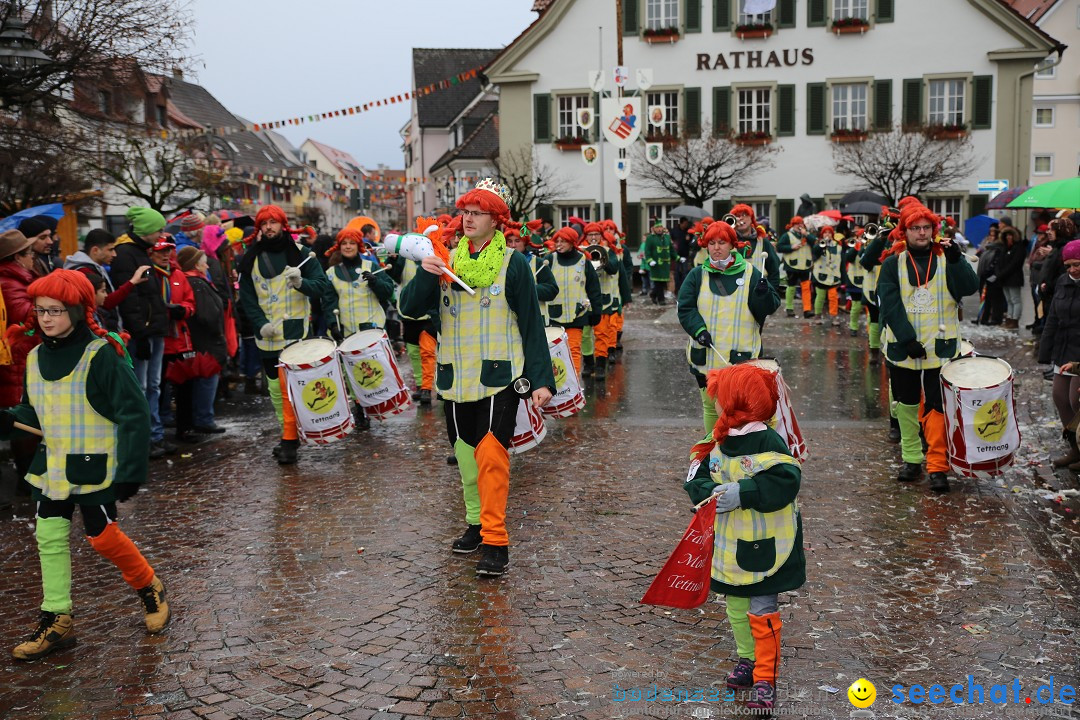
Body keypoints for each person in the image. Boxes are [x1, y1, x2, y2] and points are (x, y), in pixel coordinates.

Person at [0, 270, 169, 660]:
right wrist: (11, 418)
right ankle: (57, 618)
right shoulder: (36, 355)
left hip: (96, 466)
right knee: (49, 537)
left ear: (77, 310)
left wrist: (130, 472)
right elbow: (37, 411)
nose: (46, 318)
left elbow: (134, 414)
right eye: (41, 310)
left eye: (55, 310)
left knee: (103, 537)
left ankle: (149, 586)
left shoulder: (102, 354)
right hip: (54, 467)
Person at [398, 179, 555, 577]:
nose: (468, 218)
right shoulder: (443, 257)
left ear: (496, 220)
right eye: (465, 211)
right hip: (454, 377)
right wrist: (425, 271)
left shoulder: (513, 263)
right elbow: (410, 308)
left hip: (498, 375)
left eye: (477, 212)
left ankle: (496, 542)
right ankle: (475, 525)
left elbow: (532, 324)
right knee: (467, 462)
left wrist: (541, 379)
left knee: (491, 460)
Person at [683, 363, 804, 714]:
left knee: (762, 610)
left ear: (736, 401)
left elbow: (785, 481)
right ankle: (747, 659)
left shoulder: (769, 440)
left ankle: (766, 677)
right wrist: (710, 492)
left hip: (768, 548)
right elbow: (695, 478)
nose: (714, 405)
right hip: (731, 545)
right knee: (735, 606)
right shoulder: (718, 439)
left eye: (719, 398)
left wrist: (745, 492)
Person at [878, 202, 979, 492]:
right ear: (905, 232)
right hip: (903, 346)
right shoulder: (892, 263)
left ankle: (937, 465)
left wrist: (958, 259)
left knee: (937, 407)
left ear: (934, 230)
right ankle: (911, 459)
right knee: (906, 405)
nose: (922, 233)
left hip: (940, 347)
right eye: (915, 228)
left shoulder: (947, 259)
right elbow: (890, 305)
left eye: (926, 228)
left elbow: (969, 288)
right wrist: (907, 338)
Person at [237, 205, 337, 465]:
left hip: (295, 332)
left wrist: (301, 283)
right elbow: (247, 298)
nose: (269, 227)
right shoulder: (249, 259)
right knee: (274, 389)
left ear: (283, 225)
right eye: (264, 223)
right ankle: (288, 433)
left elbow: (322, 287)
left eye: (273, 222)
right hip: (267, 335)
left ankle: (290, 441)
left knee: (290, 388)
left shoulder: (302, 254)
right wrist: (259, 324)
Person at [677, 221, 780, 433]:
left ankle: (733, 453)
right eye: (712, 243)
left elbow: (769, 308)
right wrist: (699, 331)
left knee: (738, 409)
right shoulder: (697, 275)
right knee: (711, 408)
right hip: (707, 355)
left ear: (732, 245)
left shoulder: (752, 273)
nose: (716, 247)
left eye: (721, 242)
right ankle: (712, 449)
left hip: (741, 356)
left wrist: (763, 294)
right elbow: (686, 308)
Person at [110, 207, 175, 459]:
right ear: (146, 230)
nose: (161, 234)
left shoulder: (139, 252)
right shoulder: (127, 255)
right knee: (143, 386)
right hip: (143, 332)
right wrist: (140, 333)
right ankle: (144, 437)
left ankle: (155, 434)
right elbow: (131, 299)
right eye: (158, 229)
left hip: (152, 328)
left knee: (154, 385)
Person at [325, 226, 395, 428]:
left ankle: (380, 403)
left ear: (359, 246)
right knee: (352, 374)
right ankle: (360, 409)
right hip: (347, 330)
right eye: (344, 244)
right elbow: (328, 302)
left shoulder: (371, 266)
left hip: (372, 328)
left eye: (352, 243)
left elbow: (388, 291)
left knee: (374, 370)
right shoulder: (331, 273)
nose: (348, 247)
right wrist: (332, 324)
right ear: (339, 247)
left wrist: (375, 282)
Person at [1038, 239, 1080, 470]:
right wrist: (1045, 351)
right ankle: (1075, 448)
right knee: (1060, 397)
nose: (1072, 269)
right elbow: (1052, 318)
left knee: (1076, 400)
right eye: (1068, 265)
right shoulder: (1063, 282)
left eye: (1077, 264)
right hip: (1064, 349)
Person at [149, 239, 197, 444]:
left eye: (168, 251)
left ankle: (184, 429)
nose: (165, 255)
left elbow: (190, 302)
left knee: (185, 388)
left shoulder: (178, 275)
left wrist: (183, 310)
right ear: (151, 253)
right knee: (157, 388)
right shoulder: (150, 275)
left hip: (181, 341)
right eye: (160, 252)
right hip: (160, 341)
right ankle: (158, 431)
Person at [177, 247, 227, 434]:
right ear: (196, 265)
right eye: (203, 261)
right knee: (207, 379)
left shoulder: (192, 281)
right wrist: (218, 332)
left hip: (200, 339)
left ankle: (203, 417)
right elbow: (208, 315)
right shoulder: (197, 283)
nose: (207, 265)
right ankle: (204, 418)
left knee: (203, 380)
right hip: (207, 340)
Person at [544, 225, 602, 376]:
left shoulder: (584, 261)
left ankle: (574, 385)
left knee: (574, 350)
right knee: (556, 353)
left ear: (572, 243)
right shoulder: (549, 260)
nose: (559, 244)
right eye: (557, 241)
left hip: (578, 314)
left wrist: (596, 311)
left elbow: (593, 288)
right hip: (554, 315)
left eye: (563, 241)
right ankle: (560, 388)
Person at [0, 230, 38, 410]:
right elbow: (24, 314)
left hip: (23, 351)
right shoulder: (8, 282)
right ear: (18, 257)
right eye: (30, 253)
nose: (33, 258)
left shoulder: (19, 279)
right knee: (20, 413)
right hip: (17, 353)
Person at [581, 222, 620, 382]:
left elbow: (614, 269)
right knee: (584, 335)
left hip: (603, 299)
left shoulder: (609, 251)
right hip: (584, 299)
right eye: (590, 235)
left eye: (596, 234)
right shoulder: (580, 251)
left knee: (601, 333)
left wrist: (603, 259)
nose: (593, 238)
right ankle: (589, 363)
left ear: (601, 236)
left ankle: (600, 365)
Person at [63, 229, 123, 332]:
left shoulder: (97, 268)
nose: (114, 254)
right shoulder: (84, 272)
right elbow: (105, 302)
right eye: (110, 250)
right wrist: (132, 282)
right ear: (95, 250)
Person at [731, 204, 781, 296]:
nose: (741, 218)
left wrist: (770, 293)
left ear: (752, 219)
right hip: (733, 295)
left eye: (745, 215)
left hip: (758, 295)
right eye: (737, 216)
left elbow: (774, 271)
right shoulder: (727, 242)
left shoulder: (763, 242)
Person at [776, 216, 814, 318]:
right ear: (793, 225)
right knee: (791, 287)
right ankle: (789, 308)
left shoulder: (807, 235)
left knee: (806, 287)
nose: (799, 226)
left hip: (805, 265)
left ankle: (807, 309)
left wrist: (807, 234)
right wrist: (791, 247)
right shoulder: (787, 235)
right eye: (797, 224)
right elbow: (779, 247)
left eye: (801, 223)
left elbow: (815, 243)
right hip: (792, 265)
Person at [993, 227, 1026, 329]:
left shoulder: (1019, 248)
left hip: (1014, 278)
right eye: (1006, 235)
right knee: (1009, 300)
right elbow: (999, 261)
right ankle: (1009, 318)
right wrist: (999, 273)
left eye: (1010, 235)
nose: (1008, 237)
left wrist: (1002, 273)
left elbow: (1015, 263)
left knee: (1015, 299)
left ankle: (1014, 320)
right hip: (1004, 278)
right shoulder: (1005, 248)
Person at [810, 227, 843, 327]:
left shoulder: (837, 245)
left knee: (833, 297)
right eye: (825, 233)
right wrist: (822, 245)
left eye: (829, 233)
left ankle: (834, 316)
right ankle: (817, 315)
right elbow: (815, 253)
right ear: (822, 234)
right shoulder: (819, 243)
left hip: (833, 275)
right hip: (820, 275)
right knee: (820, 296)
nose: (827, 234)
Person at [642, 221, 673, 305]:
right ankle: (661, 299)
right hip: (656, 265)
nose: (659, 229)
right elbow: (647, 251)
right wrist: (650, 260)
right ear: (654, 229)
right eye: (657, 227)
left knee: (663, 283)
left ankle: (653, 294)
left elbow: (671, 249)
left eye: (660, 227)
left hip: (665, 265)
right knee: (658, 282)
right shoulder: (650, 238)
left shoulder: (666, 237)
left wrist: (677, 257)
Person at [671, 217, 693, 294]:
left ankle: (684, 288)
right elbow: (671, 241)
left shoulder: (689, 231)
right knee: (676, 273)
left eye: (687, 223)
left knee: (685, 272)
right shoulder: (674, 231)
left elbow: (691, 243)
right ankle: (677, 288)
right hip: (676, 255)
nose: (686, 225)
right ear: (681, 223)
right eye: (685, 223)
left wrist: (689, 240)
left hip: (685, 255)